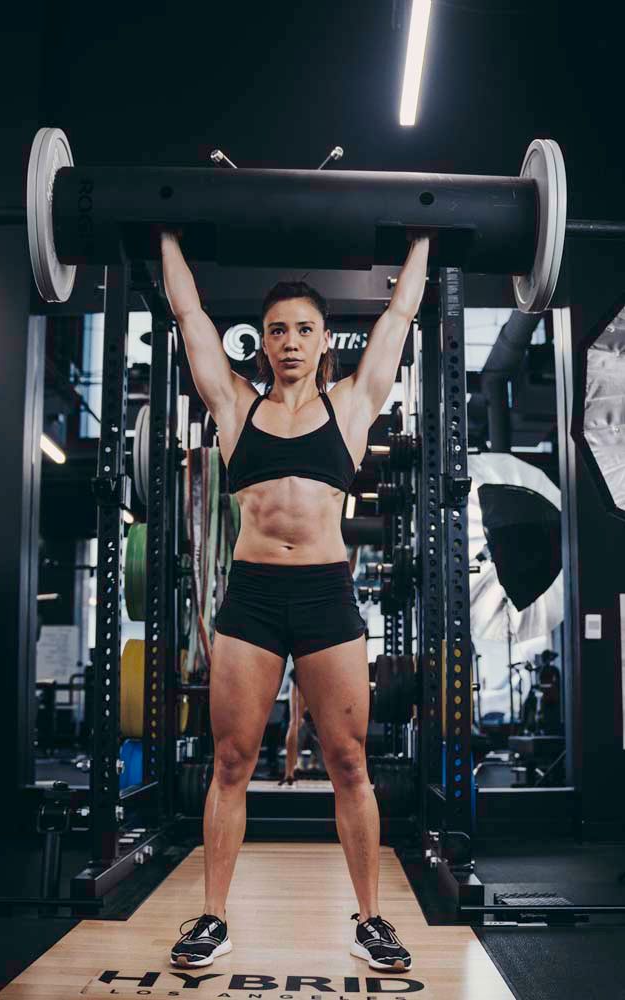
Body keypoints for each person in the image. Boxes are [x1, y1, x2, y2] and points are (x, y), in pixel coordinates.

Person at [161, 230, 429, 971]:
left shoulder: (350, 406)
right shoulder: (233, 406)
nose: (289, 341)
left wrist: (423, 236)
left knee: (348, 762)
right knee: (231, 761)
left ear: (322, 340)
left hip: (324, 594)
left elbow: (400, 317)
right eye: (277, 329)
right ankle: (212, 917)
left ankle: (370, 919)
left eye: (303, 329)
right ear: (262, 341)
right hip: (249, 596)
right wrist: (167, 233)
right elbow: (188, 317)